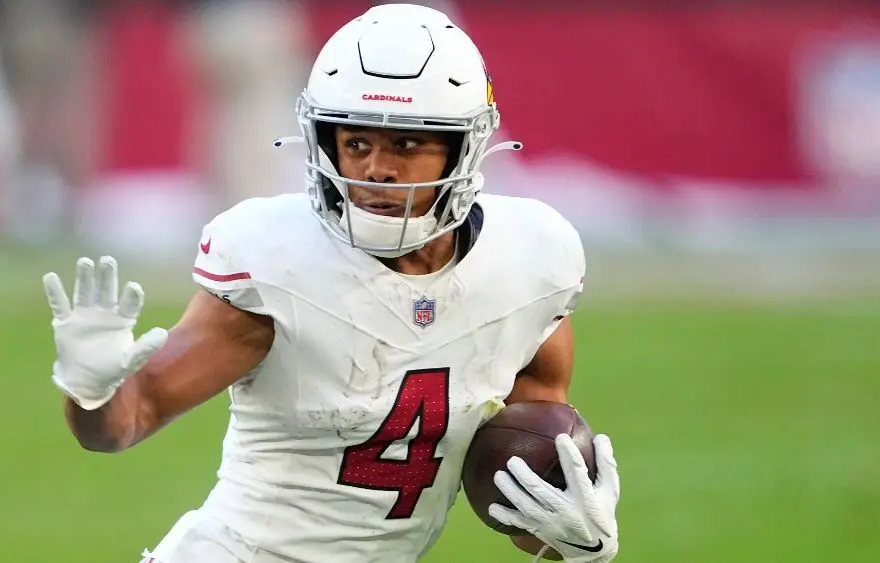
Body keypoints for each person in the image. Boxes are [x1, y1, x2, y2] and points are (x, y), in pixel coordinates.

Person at [42, 4, 621, 562]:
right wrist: (92, 391)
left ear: (463, 148)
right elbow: (126, 421)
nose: (377, 169)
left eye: (407, 143)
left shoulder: (527, 263)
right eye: (356, 142)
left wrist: (577, 536)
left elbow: (526, 478)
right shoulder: (280, 261)